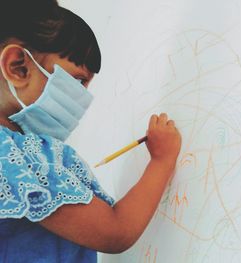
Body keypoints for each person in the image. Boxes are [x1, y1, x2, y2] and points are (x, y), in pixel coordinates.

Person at [0, 0, 182, 262]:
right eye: (77, 80)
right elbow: (115, 232)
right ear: (18, 66)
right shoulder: (18, 158)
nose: (81, 96)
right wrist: (162, 160)